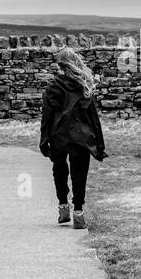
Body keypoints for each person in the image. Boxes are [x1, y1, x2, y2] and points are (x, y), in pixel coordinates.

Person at [39, 44, 107, 229]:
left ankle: (62, 207)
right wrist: (99, 145)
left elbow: (46, 116)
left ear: (60, 66)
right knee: (79, 173)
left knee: (59, 171)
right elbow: (93, 118)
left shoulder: (53, 87)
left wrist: (44, 140)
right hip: (80, 138)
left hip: (58, 136)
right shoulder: (84, 86)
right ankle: (78, 212)